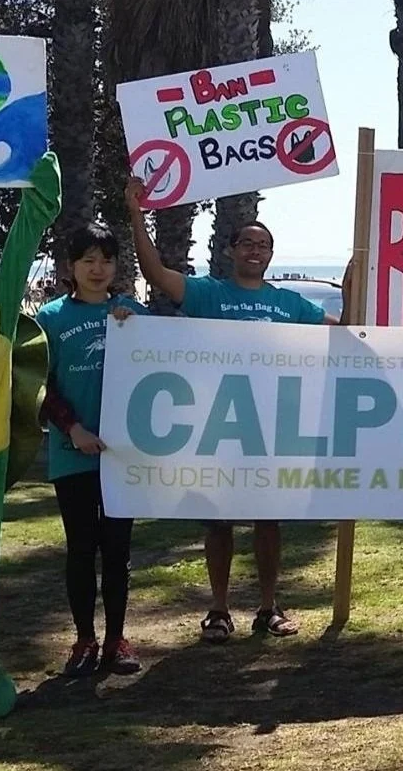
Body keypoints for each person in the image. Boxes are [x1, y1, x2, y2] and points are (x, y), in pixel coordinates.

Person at [125, 177, 340, 642]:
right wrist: (135, 212)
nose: (254, 251)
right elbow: (157, 273)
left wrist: (360, 281)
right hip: (217, 430)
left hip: (268, 432)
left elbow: (343, 330)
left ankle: (268, 608)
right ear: (231, 250)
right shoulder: (208, 294)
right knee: (218, 521)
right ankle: (219, 610)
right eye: (247, 243)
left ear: (270, 254)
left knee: (268, 520)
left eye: (263, 245)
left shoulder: (289, 304)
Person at [36, 226, 148, 676]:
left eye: (106, 259)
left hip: (124, 455)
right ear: (71, 267)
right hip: (72, 452)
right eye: (88, 260)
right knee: (81, 547)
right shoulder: (51, 318)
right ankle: (84, 639)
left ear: (117, 266)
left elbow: (167, 360)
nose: (98, 269)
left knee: (118, 550)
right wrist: (73, 427)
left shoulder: (130, 313)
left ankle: (117, 640)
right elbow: (37, 384)